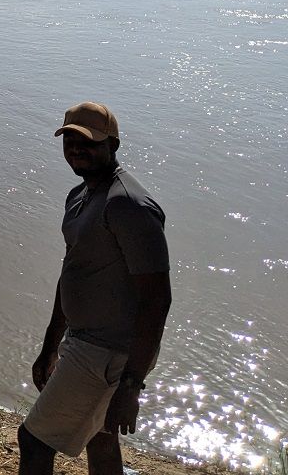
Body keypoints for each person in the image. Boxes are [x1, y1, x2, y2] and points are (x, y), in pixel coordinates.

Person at [19, 101, 172, 475]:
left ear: (113, 145)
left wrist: (131, 385)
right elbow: (72, 271)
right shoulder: (80, 196)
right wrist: (50, 344)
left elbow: (157, 299)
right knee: (99, 438)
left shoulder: (130, 206)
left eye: (88, 142)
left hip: (107, 353)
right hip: (85, 341)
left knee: (34, 441)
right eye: (70, 140)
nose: (77, 149)